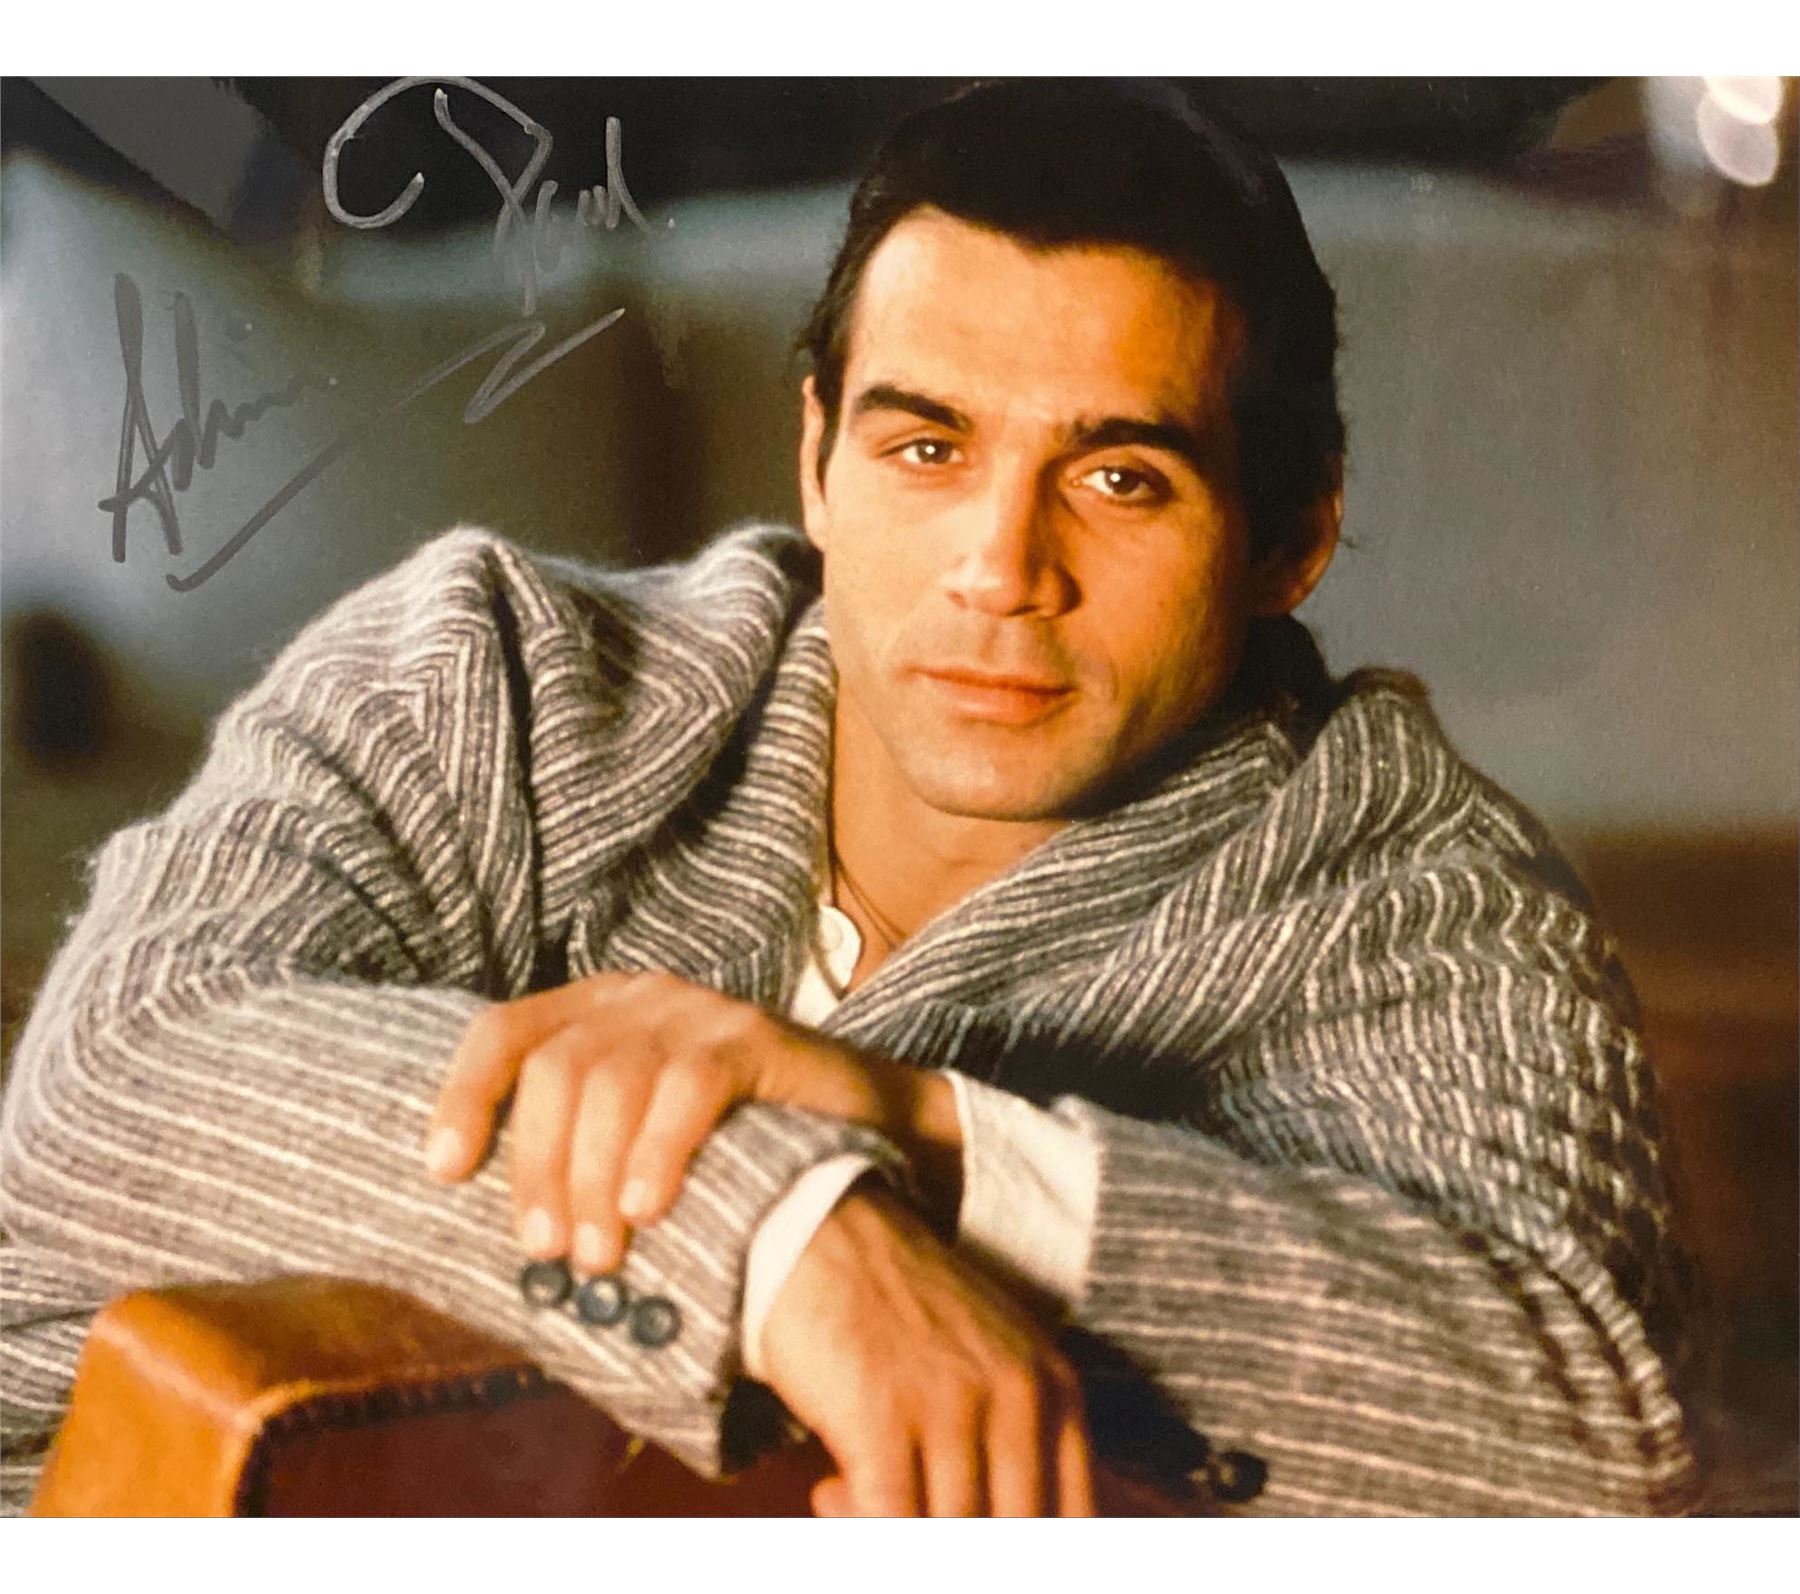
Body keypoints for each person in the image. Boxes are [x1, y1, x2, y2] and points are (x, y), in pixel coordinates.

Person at [0, 79, 1697, 1517]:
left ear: (1291, 537)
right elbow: (105, 1080)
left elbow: (1595, 1444)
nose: (1000, 567)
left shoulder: (1417, 885)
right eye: (927, 448)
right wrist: (786, 1224)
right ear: (817, 456)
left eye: (1120, 477)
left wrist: (936, 1140)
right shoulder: (484, 675)